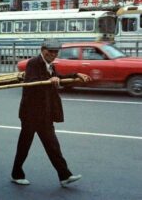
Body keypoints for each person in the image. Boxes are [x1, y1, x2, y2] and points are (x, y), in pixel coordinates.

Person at [11, 38, 92, 187]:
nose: (53, 54)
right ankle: (16, 174)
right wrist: (50, 80)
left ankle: (64, 175)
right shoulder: (34, 63)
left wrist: (76, 75)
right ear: (43, 50)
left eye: (56, 52)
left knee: (52, 145)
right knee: (24, 145)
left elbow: (58, 78)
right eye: (50, 51)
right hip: (31, 113)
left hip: (44, 113)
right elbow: (32, 84)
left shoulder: (50, 65)